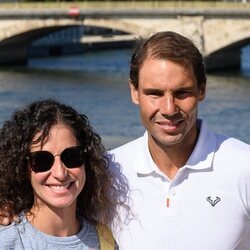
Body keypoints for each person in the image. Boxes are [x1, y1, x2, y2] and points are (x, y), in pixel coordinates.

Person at [108, 31, 250, 249]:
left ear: (202, 90)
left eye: (182, 93)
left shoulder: (244, 167)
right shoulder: (108, 171)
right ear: (134, 92)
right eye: (154, 93)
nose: (169, 109)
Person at [0, 99, 127, 249]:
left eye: (72, 156)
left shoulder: (106, 241)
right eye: (42, 160)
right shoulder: (8, 241)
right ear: (22, 167)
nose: (60, 173)